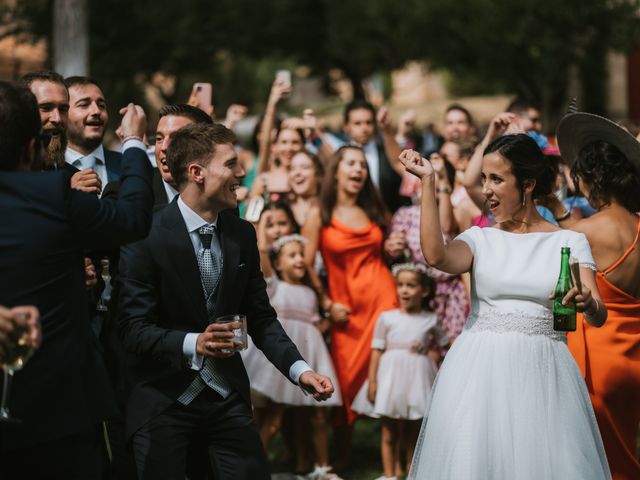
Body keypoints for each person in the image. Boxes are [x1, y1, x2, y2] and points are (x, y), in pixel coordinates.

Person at [117, 122, 334, 480]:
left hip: (225, 396)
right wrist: (195, 343)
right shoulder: (145, 235)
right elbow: (132, 329)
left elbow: (261, 319)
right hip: (163, 399)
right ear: (196, 172)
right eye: (231, 164)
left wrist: (301, 371)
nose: (242, 172)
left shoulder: (241, 233)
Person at [400, 135, 611, 480]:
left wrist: (587, 303)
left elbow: (598, 313)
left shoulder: (569, 241)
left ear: (527, 184)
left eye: (496, 179)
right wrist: (429, 182)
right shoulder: (480, 238)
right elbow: (436, 256)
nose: (486, 190)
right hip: (478, 370)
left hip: (544, 373)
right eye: (484, 179)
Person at [0, 81, 154, 479]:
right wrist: (135, 142)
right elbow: (134, 218)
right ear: (31, 146)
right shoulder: (54, 194)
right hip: (59, 410)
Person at [544, 111, 640, 480]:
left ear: (593, 178)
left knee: (592, 461)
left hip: (595, 363)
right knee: (624, 453)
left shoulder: (585, 231)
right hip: (631, 359)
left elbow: (570, 244)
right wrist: (559, 209)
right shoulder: (632, 225)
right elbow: (586, 238)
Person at [302, 145, 398, 470]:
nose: (359, 170)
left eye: (362, 165)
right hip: (346, 310)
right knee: (343, 381)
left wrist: (391, 248)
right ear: (337, 171)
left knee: (389, 373)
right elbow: (306, 263)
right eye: (351, 164)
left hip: (383, 301)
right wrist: (326, 303)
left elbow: (386, 251)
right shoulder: (320, 213)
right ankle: (343, 454)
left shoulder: (374, 209)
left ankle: (395, 456)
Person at [246, 233, 342, 480]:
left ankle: (319, 465)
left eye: (302, 255)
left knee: (305, 417)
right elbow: (263, 254)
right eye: (292, 255)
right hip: (278, 362)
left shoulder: (310, 294)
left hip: (306, 356)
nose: (300, 259)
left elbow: (314, 324)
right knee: (269, 419)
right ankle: (252, 466)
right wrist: (263, 225)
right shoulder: (275, 286)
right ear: (278, 264)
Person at [351, 263, 449, 480]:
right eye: (401, 285)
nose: (404, 290)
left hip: (418, 378)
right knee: (389, 430)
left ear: (424, 291)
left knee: (414, 431)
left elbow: (445, 345)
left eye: (411, 286)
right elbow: (376, 350)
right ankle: (390, 474)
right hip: (390, 377)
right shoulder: (387, 318)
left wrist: (430, 352)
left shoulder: (430, 319)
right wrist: (373, 382)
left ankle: (411, 472)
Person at [324, 100, 405, 212]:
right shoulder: (339, 155)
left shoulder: (386, 152)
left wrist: (387, 129)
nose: (364, 128)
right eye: (357, 123)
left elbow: (398, 162)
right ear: (346, 126)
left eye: (369, 122)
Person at [64, 76, 122, 196]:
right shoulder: (46, 169)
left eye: (101, 105)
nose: (96, 111)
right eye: (84, 105)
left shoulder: (126, 166)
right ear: (63, 113)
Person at [152, 103, 214, 209]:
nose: (164, 147)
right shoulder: (129, 196)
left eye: (176, 139)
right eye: (159, 138)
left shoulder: (219, 198)